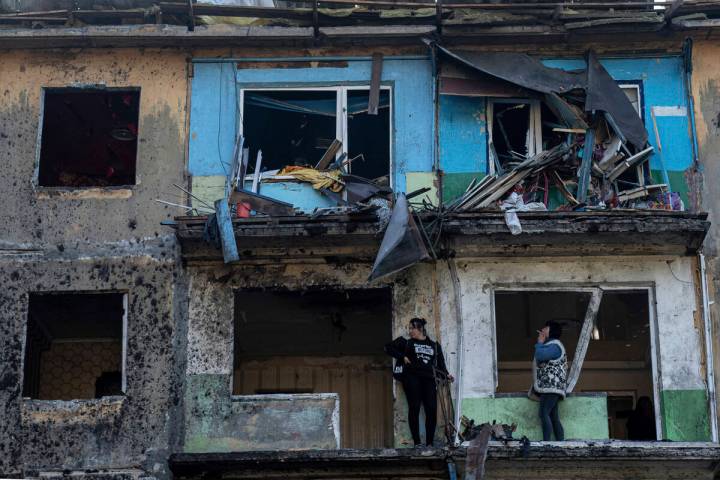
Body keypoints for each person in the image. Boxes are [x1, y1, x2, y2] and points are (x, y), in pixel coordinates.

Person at [384, 318, 453, 447]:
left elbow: (441, 365)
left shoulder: (434, 346)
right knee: (414, 408)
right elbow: (387, 348)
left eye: (412, 328)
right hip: (412, 378)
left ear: (420, 329)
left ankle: (430, 443)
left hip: (429, 379)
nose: (410, 331)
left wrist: (447, 375)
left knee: (431, 410)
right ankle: (417, 443)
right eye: (409, 328)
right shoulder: (406, 343)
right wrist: (402, 357)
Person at [530, 320, 567, 441]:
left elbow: (540, 356)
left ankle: (547, 442)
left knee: (543, 413)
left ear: (551, 331)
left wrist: (539, 342)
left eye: (546, 328)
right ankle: (560, 441)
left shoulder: (554, 345)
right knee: (553, 415)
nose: (543, 329)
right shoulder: (552, 345)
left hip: (551, 386)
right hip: (552, 386)